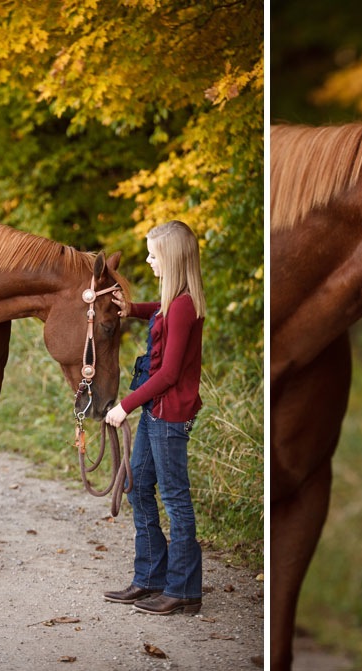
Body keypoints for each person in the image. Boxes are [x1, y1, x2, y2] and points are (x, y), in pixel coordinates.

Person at [102, 219, 206, 616]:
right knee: (138, 486)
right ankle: (150, 577)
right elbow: (158, 314)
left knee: (175, 499)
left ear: (172, 258)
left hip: (168, 415)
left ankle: (183, 588)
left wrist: (123, 405)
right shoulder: (173, 301)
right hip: (155, 412)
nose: (148, 260)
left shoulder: (183, 306)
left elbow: (168, 374)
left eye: (153, 254)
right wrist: (131, 310)